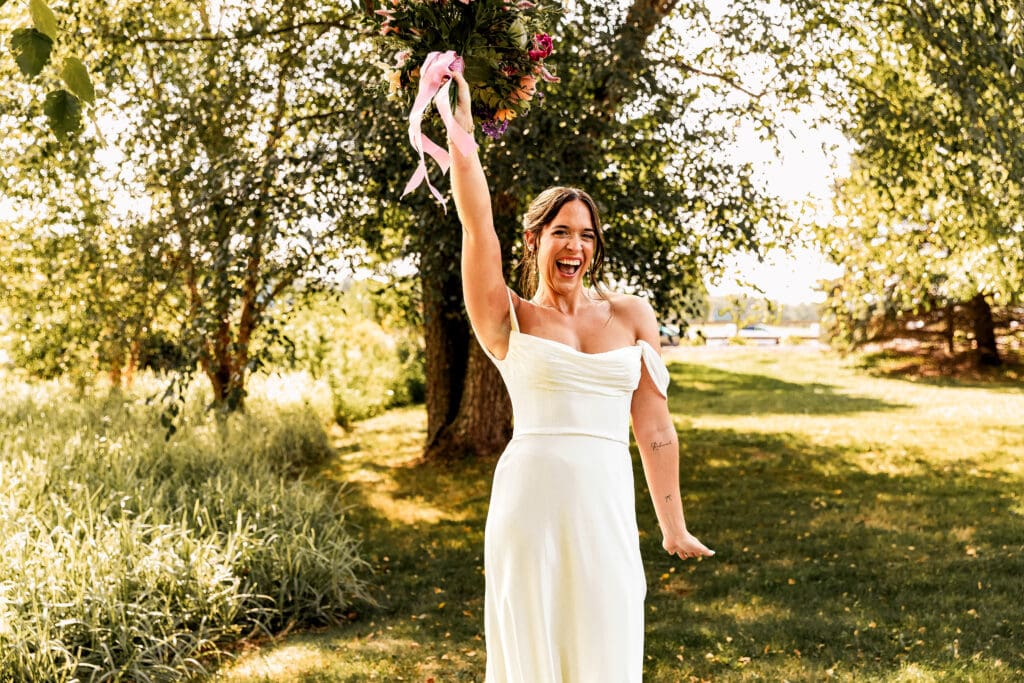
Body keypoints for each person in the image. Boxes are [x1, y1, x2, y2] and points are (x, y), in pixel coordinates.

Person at [446, 70, 714, 682]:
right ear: (535, 239)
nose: (575, 246)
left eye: (587, 235)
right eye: (561, 232)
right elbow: (476, 222)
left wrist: (672, 526)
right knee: (533, 652)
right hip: (529, 506)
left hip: (606, 505)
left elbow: (655, 429)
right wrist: (461, 125)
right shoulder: (507, 315)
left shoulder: (631, 314)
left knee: (608, 638)